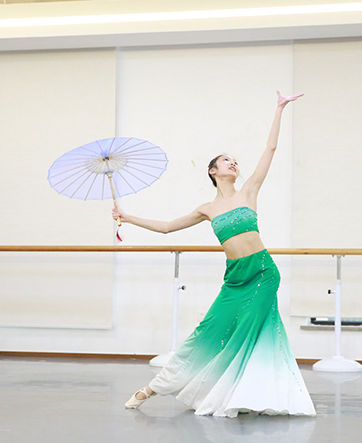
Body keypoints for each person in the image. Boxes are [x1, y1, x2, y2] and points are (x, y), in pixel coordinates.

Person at [112, 91, 316, 418]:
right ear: (212, 171)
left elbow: (270, 149)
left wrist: (279, 108)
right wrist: (128, 216)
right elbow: (167, 227)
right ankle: (153, 388)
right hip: (235, 279)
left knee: (254, 335)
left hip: (263, 273)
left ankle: (246, 394)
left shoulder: (249, 191)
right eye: (226, 160)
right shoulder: (207, 209)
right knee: (209, 331)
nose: (233, 163)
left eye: (235, 161)